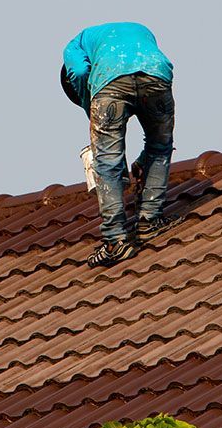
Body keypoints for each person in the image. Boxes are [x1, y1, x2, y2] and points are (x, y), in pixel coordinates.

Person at [61, 22, 175, 265]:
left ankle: (115, 242)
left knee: (107, 162)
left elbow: (80, 73)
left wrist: (89, 105)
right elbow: (140, 65)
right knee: (159, 146)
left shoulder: (74, 45)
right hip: (157, 74)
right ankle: (149, 220)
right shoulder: (139, 29)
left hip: (110, 83)